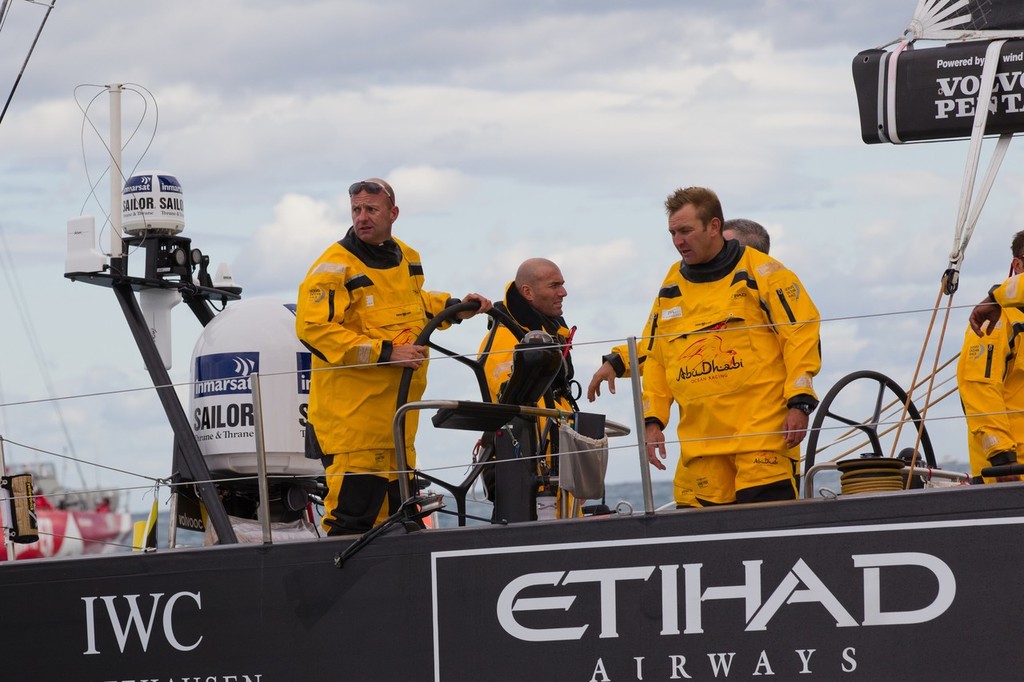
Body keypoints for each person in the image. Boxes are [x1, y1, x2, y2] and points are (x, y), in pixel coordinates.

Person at [295, 177, 491, 535]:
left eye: (371, 209)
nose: (362, 217)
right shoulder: (333, 267)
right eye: (356, 210)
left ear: (393, 213)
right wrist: (387, 353)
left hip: (398, 427)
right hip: (353, 430)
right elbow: (313, 329)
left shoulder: (408, 257)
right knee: (350, 528)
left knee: (400, 526)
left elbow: (414, 307)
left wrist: (453, 308)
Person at [641, 187, 821, 507]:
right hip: (702, 445)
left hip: (762, 438)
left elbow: (801, 336)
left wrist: (800, 402)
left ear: (713, 226)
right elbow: (656, 357)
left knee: (768, 540)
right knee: (708, 549)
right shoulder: (671, 285)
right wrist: (653, 420)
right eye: (672, 232)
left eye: (686, 231)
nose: (678, 241)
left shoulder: (765, 273)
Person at [586, 217, 771, 402]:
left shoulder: (769, 296)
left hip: (760, 416)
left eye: (725, 248)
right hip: (702, 421)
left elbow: (798, 342)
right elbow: (665, 347)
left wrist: (799, 404)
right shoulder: (693, 296)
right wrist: (618, 361)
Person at [477, 258, 581, 516]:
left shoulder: (548, 333)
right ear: (528, 293)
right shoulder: (505, 340)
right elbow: (517, 399)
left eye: (563, 285)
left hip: (554, 467)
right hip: (527, 470)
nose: (563, 292)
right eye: (554, 286)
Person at [957, 230, 1024, 482]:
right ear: (1017, 264)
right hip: (1011, 473)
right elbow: (980, 390)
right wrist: (1003, 461)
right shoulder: (996, 320)